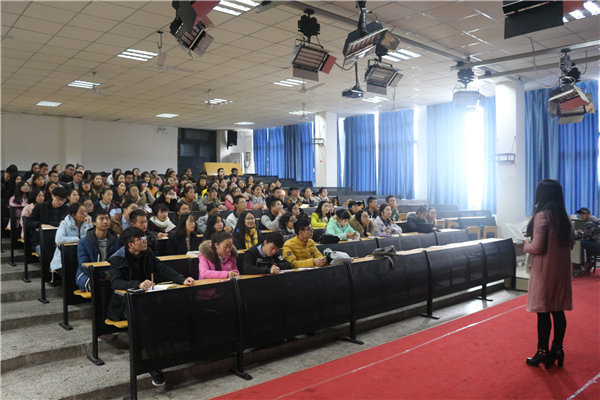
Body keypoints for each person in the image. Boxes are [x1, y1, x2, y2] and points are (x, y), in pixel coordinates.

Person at [108, 227, 194, 386]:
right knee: (146, 323)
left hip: (146, 300)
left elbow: (162, 268)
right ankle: (152, 365)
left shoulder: (147, 252)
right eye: (141, 239)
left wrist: (181, 279)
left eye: (144, 237)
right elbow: (116, 283)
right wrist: (137, 284)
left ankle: (168, 354)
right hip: (125, 304)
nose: (145, 240)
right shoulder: (117, 258)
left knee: (167, 313)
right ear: (130, 245)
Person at [524, 179, 573, 369]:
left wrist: (524, 245)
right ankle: (558, 349)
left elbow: (537, 247)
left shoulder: (542, 216)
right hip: (561, 270)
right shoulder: (564, 217)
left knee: (543, 312)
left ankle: (542, 352)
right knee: (558, 310)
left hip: (545, 271)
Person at [76, 208, 121, 292]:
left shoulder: (116, 240)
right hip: (92, 274)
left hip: (112, 272)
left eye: (107, 218)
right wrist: (103, 276)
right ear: (94, 222)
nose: (105, 222)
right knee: (99, 286)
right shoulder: (84, 242)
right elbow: (83, 264)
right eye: (101, 219)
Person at [49, 202, 93, 274]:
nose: (85, 214)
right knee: (70, 272)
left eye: (85, 211)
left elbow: (92, 238)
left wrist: (89, 225)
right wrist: (78, 239)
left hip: (82, 256)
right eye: (81, 213)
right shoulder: (64, 223)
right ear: (74, 215)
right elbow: (58, 239)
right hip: (65, 257)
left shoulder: (88, 223)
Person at [573, 207, 600, 275]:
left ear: (589, 214)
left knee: (579, 242)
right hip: (597, 242)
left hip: (598, 245)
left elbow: (586, 238)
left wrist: (581, 234)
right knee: (584, 244)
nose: (581, 216)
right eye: (580, 214)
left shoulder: (590, 223)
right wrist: (583, 233)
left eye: (583, 214)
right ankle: (588, 263)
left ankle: (581, 263)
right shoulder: (596, 220)